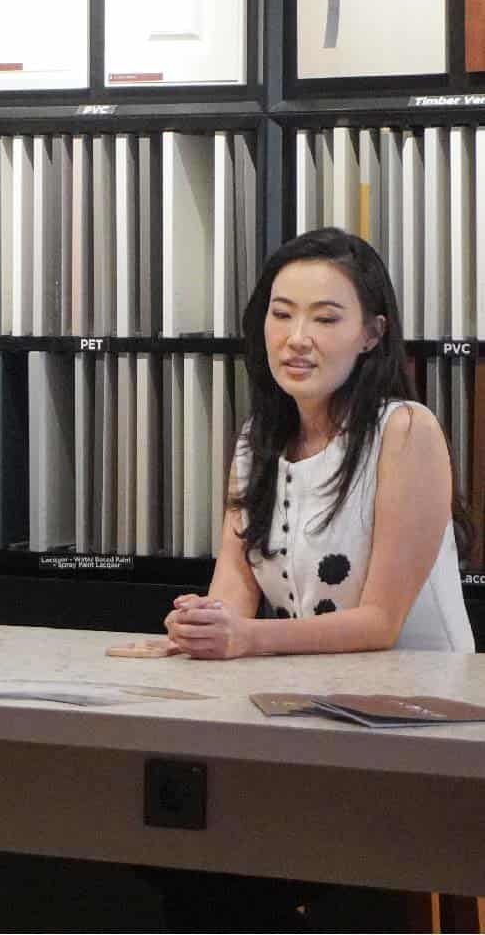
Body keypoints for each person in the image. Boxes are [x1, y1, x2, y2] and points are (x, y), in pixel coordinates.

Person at [152, 227, 473, 931]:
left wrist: (244, 639)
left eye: (326, 318)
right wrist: (200, 623)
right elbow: (232, 587)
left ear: (371, 334)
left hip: (422, 728)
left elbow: (378, 623)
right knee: (187, 852)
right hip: (311, 720)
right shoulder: (254, 440)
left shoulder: (405, 430)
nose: (297, 337)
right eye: (281, 312)